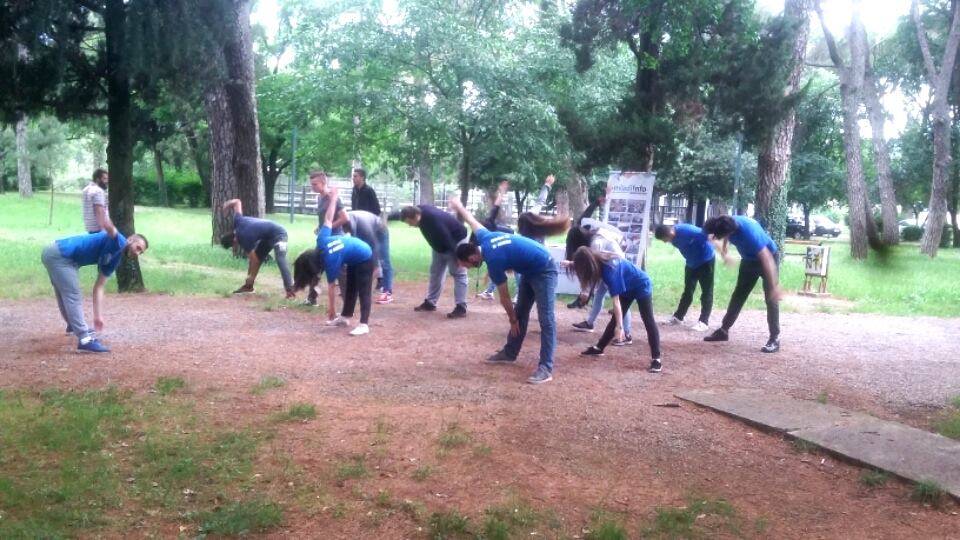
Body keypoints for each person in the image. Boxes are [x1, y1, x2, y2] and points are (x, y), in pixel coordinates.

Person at [449, 197, 565, 385]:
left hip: (544, 270)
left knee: (546, 319)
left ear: (472, 258)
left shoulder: (493, 260)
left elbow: (504, 297)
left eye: (465, 265)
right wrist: (459, 206)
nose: (465, 268)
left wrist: (511, 320)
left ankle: (546, 367)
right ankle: (510, 353)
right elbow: (471, 220)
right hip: (529, 269)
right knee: (521, 312)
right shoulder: (484, 238)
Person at [41, 213, 148, 353]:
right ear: (131, 239)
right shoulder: (119, 241)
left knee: (64, 293)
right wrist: (101, 208)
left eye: (141, 252)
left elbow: (99, 287)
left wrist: (98, 316)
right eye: (138, 248)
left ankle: (73, 325)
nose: (138, 253)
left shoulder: (115, 259)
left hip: (62, 257)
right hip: (60, 255)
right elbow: (109, 227)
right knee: (73, 295)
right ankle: (85, 340)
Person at [573, 247, 662, 372]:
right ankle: (599, 348)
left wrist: (620, 328)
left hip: (641, 285)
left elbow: (616, 302)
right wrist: (571, 263)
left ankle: (656, 359)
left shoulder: (609, 271)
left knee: (648, 320)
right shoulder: (597, 258)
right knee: (615, 320)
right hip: (627, 287)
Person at [701, 215, 783, 353]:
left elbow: (767, 258)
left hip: (768, 258)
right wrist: (725, 252)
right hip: (748, 260)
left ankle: (775, 338)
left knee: (771, 298)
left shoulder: (750, 234)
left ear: (731, 232)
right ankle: (723, 331)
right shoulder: (725, 223)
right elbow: (723, 236)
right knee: (738, 295)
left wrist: (774, 286)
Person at [315, 186, 375, 336]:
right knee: (351, 287)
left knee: (363, 289)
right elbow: (328, 219)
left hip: (365, 255)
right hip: (354, 255)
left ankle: (364, 325)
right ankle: (345, 317)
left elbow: (331, 287)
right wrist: (333, 199)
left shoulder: (330, 260)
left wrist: (331, 310)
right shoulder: (321, 239)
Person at [564, 226, 634, 345]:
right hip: (611, 266)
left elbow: (592, 268)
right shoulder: (596, 235)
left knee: (620, 301)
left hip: (614, 269)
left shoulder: (595, 244)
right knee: (599, 295)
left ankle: (626, 333)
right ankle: (589, 323)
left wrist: (585, 292)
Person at [399, 203, 469, 318]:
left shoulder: (433, 220)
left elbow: (447, 239)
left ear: (415, 216)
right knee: (436, 272)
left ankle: (461, 307)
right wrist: (388, 217)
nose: (410, 225)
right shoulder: (416, 211)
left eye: (410, 222)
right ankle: (430, 303)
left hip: (455, 241)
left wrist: (458, 257)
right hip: (438, 245)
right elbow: (398, 213)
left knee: (458, 272)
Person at [220, 199, 294, 297]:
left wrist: (251, 276)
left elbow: (255, 261)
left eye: (233, 246)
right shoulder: (237, 222)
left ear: (234, 240)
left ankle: (290, 289)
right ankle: (248, 287)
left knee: (280, 259)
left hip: (280, 234)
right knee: (257, 256)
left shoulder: (244, 238)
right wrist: (227, 204)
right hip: (267, 237)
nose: (234, 247)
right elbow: (237, 202)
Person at [654, 223, 715, 331]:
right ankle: (678, 317)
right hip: (691, 264)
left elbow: (710, 237)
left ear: (669, 233)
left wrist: (724, 253)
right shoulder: (672, 238)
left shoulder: (688, 231)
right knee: (688, 291)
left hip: (706, 261)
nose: (665, 242)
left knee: (707, 291)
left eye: (664, 239)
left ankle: (704, 322)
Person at [566, 184, 612, 308]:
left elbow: (594, 270)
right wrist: (597, 202)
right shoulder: (581, 227)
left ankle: (586, 298)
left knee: (600, 280)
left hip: (606, 251)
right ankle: (584, 298)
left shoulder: (594, 241)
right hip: (596, 249)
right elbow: (586, 214)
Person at [307, 171, 348, 305]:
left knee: (340, 271)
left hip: (335, 239)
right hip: (323, 239)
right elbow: (325, 218)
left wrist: (327, 228)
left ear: (323, 183)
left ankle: (348, 304)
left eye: (315, 184)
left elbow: (344, 218)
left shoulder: (333, 198)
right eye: (311, 184)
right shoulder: (320, 198)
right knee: (315, 267)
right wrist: (320, 228)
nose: (312, 187)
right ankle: (312, 298)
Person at [345, 210, 394, 304]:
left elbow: (373, 246)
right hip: (368, 228)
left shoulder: (362, 227)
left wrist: (374, 266)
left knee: (384, 261)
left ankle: (387, 291)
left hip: (380, 230)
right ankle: (360, 285)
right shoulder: (345, 221)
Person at [82, 168, 110, 233]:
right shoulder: (98, 191)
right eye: (105, 179)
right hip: (99, 229)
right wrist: (103, 230)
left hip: (90, 228)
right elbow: (99, 211)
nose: (107, 181)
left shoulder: (85, 189)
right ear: (98, 180)